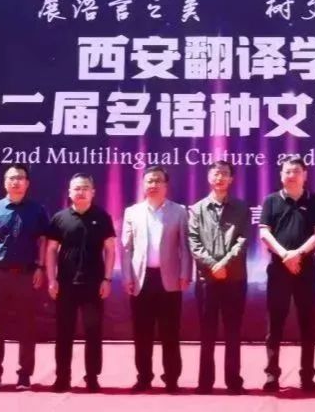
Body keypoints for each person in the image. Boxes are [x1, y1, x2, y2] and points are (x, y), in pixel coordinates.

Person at [258, 155, 315, 393]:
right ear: (281, 175)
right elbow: (264, 233)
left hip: (307, 268)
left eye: (296, 171)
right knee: (275, 324)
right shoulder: (271, 201)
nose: (292, 175)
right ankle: (271, 375)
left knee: (308, 323)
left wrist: (298, 254)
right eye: (287, 171)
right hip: (279, 268)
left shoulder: (314, 200)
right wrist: (285, 255)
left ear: (305, 175)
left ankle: (307, 376)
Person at [121, 165, 192, 392]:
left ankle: (171, 378)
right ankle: (144, 377)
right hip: (141, 279)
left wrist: (185, 274)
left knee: (170, 332)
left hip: (169, 279)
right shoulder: (132, 212)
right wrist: (127, 276)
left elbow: (185, 246)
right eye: (149, 181)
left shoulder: (179, 211)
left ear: (166, 185)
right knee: (142, 332)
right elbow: (126, 249)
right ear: (143, 185)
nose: (153, 185)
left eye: (157, 181)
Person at [0, 164, 48, 391]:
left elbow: (42, 241)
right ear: (5, 182)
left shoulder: (37, 210)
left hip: (27, 275)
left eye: (20, 178)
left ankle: (24, 376)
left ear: (27, 183)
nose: (16, 182)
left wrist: (41, 267)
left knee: (27, 328)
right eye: (11, 178)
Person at [47, 173, 116, 392]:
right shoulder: (60, 218)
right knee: (63, 332)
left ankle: (92, 377)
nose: (81, 192)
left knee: (93, 332)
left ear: (93, 192)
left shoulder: (102, 217)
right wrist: (51, 279)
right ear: (69, 192)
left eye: (85, 187)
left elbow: (110, 249)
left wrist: (107, 278)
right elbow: (51, 250)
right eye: (76, 188)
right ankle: (62, 377)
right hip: (65, 284)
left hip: (93, 284)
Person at [188, 160, 250, 395]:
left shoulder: (241, 208)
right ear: (209, 178)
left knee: (233, 331)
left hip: (234, 278)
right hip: (207, 280)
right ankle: (205, 382)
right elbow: (194, 242)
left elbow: (243, 240)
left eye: (225, 174)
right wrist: (213, 264)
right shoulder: (197, 209)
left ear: (231, 179)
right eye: (216, 174)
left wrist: (225, 263)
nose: (220, 178)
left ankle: (233, 381)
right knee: (207, 332)